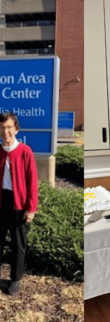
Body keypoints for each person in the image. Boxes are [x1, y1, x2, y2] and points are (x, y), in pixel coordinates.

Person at [0, 112, 38, 296]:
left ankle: (15, 280)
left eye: (9, 127)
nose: (5, 131)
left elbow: (32, 181)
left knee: (18, 245)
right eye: (2, 127)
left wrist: (31, 208)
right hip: (1, 203)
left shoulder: (25, 151)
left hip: (18, 205)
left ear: (16, 129)